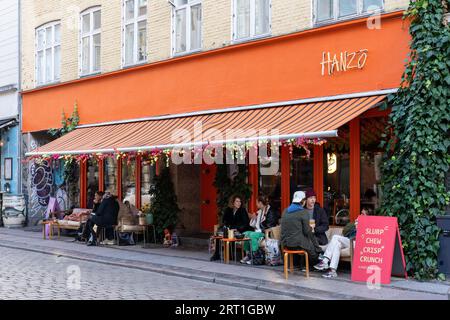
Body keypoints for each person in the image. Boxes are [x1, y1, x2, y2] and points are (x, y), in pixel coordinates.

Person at [313, 207, 370, 278]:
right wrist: (354, 226)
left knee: (335, 237)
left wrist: (359, 228)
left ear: (368, 216)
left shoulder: (370, 225)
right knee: (337, 244)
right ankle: (333, 271)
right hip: (350, 241)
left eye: (363, 214)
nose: (360, 215)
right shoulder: (357, 222)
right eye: (361, 213)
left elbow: (364, 238)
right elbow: (345, 232)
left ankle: (325, 260)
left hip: (358, 243)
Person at [280, 191, 323, 267]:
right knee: (314, 252)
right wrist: (311, 229)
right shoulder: (303, 212)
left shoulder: (285, 211)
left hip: (284, 244)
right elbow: (307, 232)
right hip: (297, 244)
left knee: (310, 243)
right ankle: (315, 264)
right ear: (303, 201)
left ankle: (300, 265)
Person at [240, 195, 280, 264]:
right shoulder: (260, 211)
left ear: (260, 203)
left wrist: (259, 230)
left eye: (257, 202)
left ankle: (255, 256)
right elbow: (253, 225)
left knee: (252, 235)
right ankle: (249, 255)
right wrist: (254, 218)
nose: (256, 204)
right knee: (246, 233)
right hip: (259, 231)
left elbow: (269, 226)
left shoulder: (270, 212)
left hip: (267, 233)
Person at [210, 195, 251, 261]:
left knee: (230, 234)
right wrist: (227, 227)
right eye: (237, 201)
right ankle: (217, 254)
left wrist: (236, 228)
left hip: (240, 231)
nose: (239, 203)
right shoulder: (228, 210)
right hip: (230, 229)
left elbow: (245, 224)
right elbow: (224, 221)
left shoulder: (242, 210)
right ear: (233, 202)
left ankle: (230, 255)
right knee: (219, 234)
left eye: (240, 201)